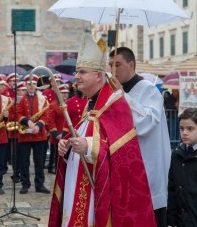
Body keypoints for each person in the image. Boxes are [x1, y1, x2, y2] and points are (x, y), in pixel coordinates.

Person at [49, 35, 155, 227]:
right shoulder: (89, 103)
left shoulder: (115, 103)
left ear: (99, 75)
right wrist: (67, 147)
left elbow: (123, 156)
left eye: (82, 72)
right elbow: (82, 136)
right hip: (77, 183)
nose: (76, 76)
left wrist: (89, 147)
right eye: (76, 72)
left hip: (97, 192)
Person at [109, 47, 171, 227]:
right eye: (110, 65)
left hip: (147, 164)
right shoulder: (113, 92)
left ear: (131, 64)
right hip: (123, 166)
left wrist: (122, 95)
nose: (113, 70)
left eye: (118, 64)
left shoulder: (149, 90)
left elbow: (146, 123)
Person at [16, 74, 50, 194]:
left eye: (34, 84)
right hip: (24, 134)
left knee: (39, 161)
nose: (31, 86)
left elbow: (46, 116)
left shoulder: (42, 99)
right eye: (29, 84)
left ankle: (39, 184)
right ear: (25, 85)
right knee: (24, 161)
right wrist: (28, 121)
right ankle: (25, 184)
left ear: (36, 86)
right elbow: (18, 114)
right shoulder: (20, 99)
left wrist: (38, 125)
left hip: (39, 135)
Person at [167, 108, 197, 227]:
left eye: (190, 129)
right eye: (181, 128)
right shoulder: (176, 154)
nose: (184, 132)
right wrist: (171, 221)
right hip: (180, 221)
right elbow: (172, 189)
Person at [47, 83, 69, 174]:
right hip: (57, 135)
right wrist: (56, 134)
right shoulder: (53, 105)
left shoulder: (69, 103)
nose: (65, 94)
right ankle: (56, 171)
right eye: (63, 93)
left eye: (66, 93)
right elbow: (50, 121)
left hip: (67, 134)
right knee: (56, 155)